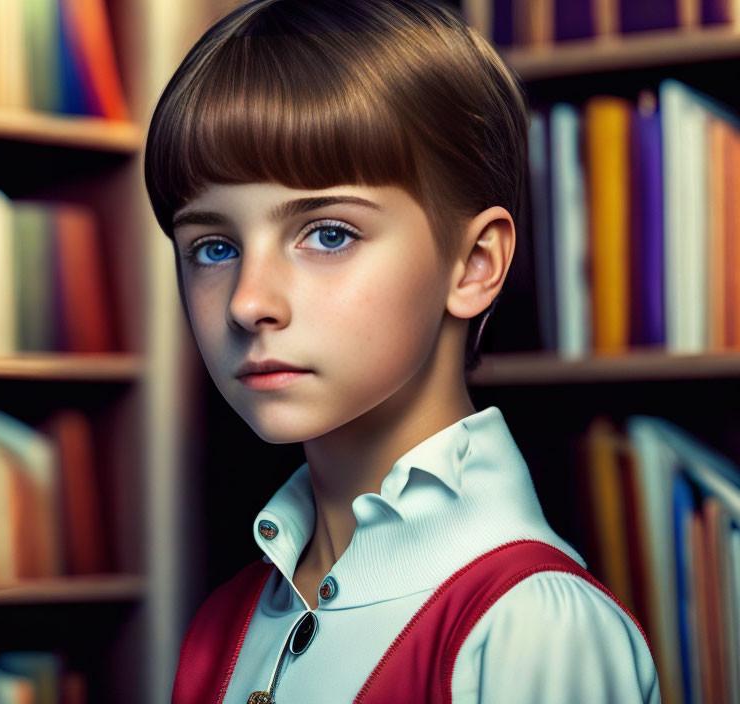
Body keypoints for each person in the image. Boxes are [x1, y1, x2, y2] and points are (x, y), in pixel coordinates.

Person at [144, 1, 661, 702]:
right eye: (214, 247)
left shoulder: (528, 624)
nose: (247, 301)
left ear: (474, 264)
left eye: (327, 234)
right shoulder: (223, 623)